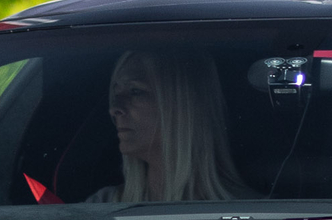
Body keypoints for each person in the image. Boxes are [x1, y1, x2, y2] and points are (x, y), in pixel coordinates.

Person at [91, 52, 252, 203]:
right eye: (116, 93)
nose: (114, 108)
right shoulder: (101, 207)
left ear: (183, 106)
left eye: (135, 91)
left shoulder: (255, 215)